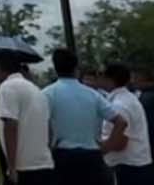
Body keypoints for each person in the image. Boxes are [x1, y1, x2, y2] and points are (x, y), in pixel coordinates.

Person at [42, 48, 124, 185]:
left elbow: (44, 125)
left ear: (55, 67)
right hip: (91, 156)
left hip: (63, 155)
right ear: (76, 68)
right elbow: (121, 122)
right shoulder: (92, 94)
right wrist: (107, 146)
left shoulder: (47, 94)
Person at [0, 52, 55, 185]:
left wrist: (12, 167)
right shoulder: (36, 90)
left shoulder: (7, 87)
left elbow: (11, 125)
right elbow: (49, 128)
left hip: (24, 168)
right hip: (44, 165)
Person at [98, 62, 154, 185]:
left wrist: (97, 150)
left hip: (127, 166)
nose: (99, 78)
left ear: (110, 80)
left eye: (101, 75)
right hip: (135, 165)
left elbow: (119, 142)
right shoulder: (128, 98)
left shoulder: (119, 105)